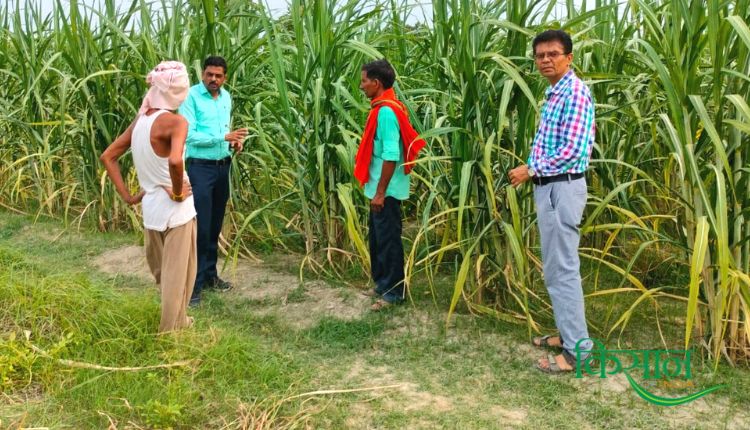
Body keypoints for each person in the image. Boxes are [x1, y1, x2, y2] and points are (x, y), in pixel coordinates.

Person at [507, 30, 595, 373]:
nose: (545, 60)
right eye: (540, 55)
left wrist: (531, 169)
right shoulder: (556, 93)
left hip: (561, 187)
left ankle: (577, 352)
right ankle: (568, 335)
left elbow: (572, 151)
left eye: (553, 54)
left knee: (562, 271)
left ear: (568, 58)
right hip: (553, 187)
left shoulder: (574, 93)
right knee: (557, 268)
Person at [100, 61, 196, 333]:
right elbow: (175, 161)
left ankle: (180, 324)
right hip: (177, 214)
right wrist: (177, 192)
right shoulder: (176, 122)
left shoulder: (141, 121)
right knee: (179, 279)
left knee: (165, 277)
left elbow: (108, 156)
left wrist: (129, 197)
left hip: (151, 211)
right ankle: (171, 335)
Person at [354, 59, 425, 311]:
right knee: (378, 238)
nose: (361, 86)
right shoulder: (385, 107)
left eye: (364, 81)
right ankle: (382, 284)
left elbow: (391, 155)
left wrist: (381, 192)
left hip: (387, 190)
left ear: (377, 83)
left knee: (388, 240)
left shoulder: (385, 112)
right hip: (379, 188)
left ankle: (394, 292)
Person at [179, 56, 247, 306]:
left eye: (218, 76)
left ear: (225, 77)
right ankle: (193, 286)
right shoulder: (191, 97)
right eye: (209, 74)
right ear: (202, 74)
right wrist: (223, 136)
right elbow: (189, 135)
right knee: (201, 227)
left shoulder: (226, 97)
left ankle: (210, 276)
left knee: (215, 224)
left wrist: (233, 142)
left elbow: (223, 133)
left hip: (222, 167)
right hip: (200, 169)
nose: (213, 79)